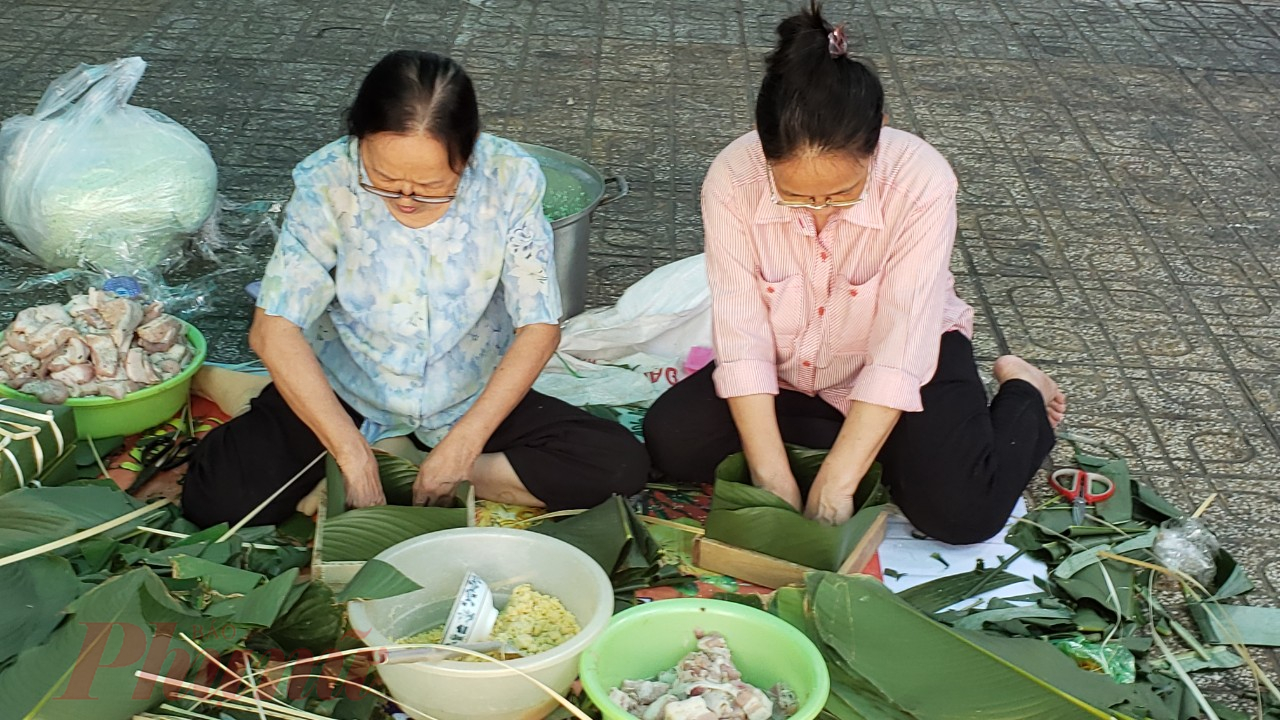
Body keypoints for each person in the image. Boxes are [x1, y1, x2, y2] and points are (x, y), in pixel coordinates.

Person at [643, 3, 1067, 545]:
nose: (819, 209)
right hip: (794, 364)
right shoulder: (732, 177)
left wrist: (837, 483)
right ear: (761, 141)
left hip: (908, 358)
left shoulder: (921, 181)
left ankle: (1022, 391)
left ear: (880, 134)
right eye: (794, 195)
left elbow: (901, 347)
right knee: (673, 442)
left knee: (964, 514)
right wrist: (772, 475)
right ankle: (879, 443)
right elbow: (742, 332)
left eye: (842, 193)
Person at [182, 51, 649, 528]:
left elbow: (539, 325)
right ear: (358, 138)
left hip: (465, 390)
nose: (405, 198)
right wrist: (353, 457)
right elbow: (273, 330)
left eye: (431, 186)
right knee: (218, 501)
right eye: (383, 179)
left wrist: (463, 449)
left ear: (468, 155)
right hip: (351, 384)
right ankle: (346, 439)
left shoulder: (509, 178)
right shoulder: (325, 181)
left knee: (616, 466)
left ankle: (409, 465)